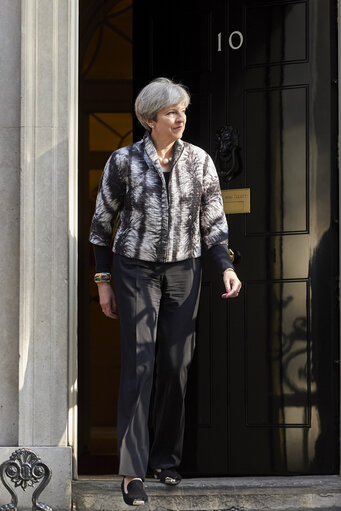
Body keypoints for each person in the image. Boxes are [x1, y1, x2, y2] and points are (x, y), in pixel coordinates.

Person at [89, 77, 241, 506]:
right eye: (172, 112)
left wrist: (225, 268)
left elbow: (213, 222)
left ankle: (165, 459)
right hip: (134, 269)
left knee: (176, 364)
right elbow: (102, 225)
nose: (181, 119)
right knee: (140, 365)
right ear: (150, 118)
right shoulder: (123, 162)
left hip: (185, 270)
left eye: (183, 111)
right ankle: (132, 472)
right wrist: (104, 283)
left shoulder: (200, 161)